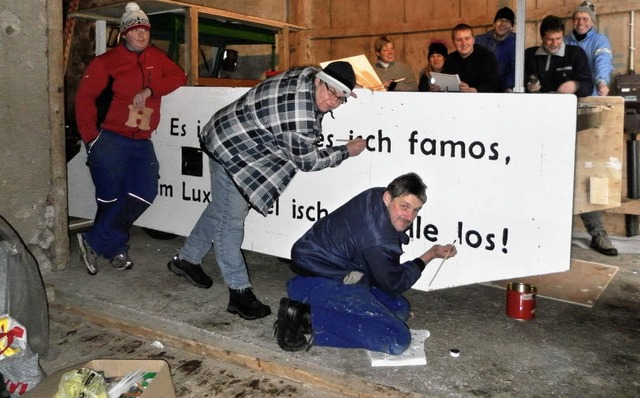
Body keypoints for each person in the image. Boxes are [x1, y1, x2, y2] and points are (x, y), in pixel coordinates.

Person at [167, 61, 367, 321]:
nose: (332, 101)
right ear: (318, 81)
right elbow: (308, 162)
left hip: (238, 138)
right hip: (230, 148)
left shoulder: (309, 76)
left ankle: (187, 259)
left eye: (340, 98)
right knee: (231, 222)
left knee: (224, 209)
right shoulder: (301, 114)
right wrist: (346, 151)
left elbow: (310, 66)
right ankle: (239, 292)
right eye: (331, 92)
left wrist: (344, 83)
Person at [274, 173, 457, 353]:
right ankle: (302, 317)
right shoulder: (379, 239)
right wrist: (430, 255)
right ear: (388, 197)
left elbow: (377, 269)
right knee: (396, 338)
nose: (409, 216)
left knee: (400, 309)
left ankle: (318, 312)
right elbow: (394, 284)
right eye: (405, 206)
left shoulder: (375, 196)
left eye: (415, 210)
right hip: (312, 281)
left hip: (338, 273)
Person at [75, 2, 187, 275]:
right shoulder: (106, 62)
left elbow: (178, 76)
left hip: (141, 141)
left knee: (144, 192)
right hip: (110, 138)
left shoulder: (155, 57)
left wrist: (151, 89)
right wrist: (92, 138)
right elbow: (84, 99)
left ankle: (93, 241)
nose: (141, 35)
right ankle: (116, 249)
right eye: (135, 30)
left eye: (144, 30)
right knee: (111, 199)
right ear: (123, 33)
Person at [565, 1, 618, 256]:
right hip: (563, 111)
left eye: (586, 18)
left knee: (589, 170)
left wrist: (601, 81)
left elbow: (603, 63)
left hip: (589, 110)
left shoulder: (599, 41)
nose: (581, 22)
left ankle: (598, 233)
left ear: (592, 21)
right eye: (577, 18)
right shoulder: (563, 41)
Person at [524, 15, 593, 96]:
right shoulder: (529, 54)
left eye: (558, 38)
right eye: (550, 39)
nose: (554, 43)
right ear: (542, 37)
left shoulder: (576, 53)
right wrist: (527, 86)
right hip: (536, 106)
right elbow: (517, 83)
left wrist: (576, 85)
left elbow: (588, 86)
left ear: (563, 35)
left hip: (567, 106)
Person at [441, 24, 502, 93]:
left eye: (467, 38)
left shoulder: (487, 57)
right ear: (453, 42)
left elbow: (494, 84)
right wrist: (438, 88)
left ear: (473, 40)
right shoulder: (450, 60)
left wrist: (473, 90)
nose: (464, 43)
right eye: (459, 40)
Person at [474, 7, 516, 92]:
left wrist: (508, 87)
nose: (503, 24)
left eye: (507, 21)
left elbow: (515, 69)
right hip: (481, 89)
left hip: (505, 90)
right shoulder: (479, 41)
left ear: (512, 27)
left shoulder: (517, 43)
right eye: (500, 20)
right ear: (494, 24)